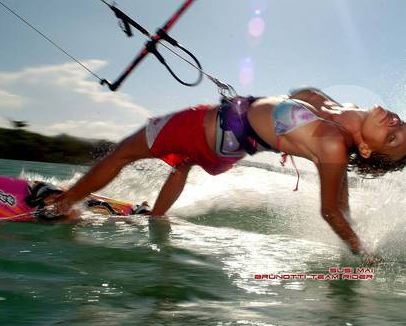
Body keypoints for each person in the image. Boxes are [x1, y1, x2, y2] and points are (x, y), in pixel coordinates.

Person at [49, 87, 406, 260]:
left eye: (392, 137)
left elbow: (329, 210)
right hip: (229, 143)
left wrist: (360, 250)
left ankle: (63, 204)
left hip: (207, 127)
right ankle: (156, 217)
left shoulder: (332, 145)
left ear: (369, 150)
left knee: (122, 153)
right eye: (400, 124)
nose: (394, 123)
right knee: (183, 163)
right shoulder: (343, 112)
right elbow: (339, 188)